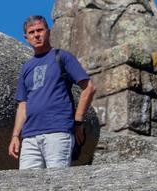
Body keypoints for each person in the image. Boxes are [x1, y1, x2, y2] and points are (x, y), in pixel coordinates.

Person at [8, 15, 96, 169]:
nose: (36, 35)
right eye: (32, 32)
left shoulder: (63, 57)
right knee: (27, 185)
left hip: (58, 131)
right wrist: (16, 135)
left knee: (56, 183)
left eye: (40, 30)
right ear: (26, 37)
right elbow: (23, 104)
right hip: (29, 136)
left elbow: (89, 87)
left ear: (48, 31)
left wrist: (78, 121)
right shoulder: (26, 67)